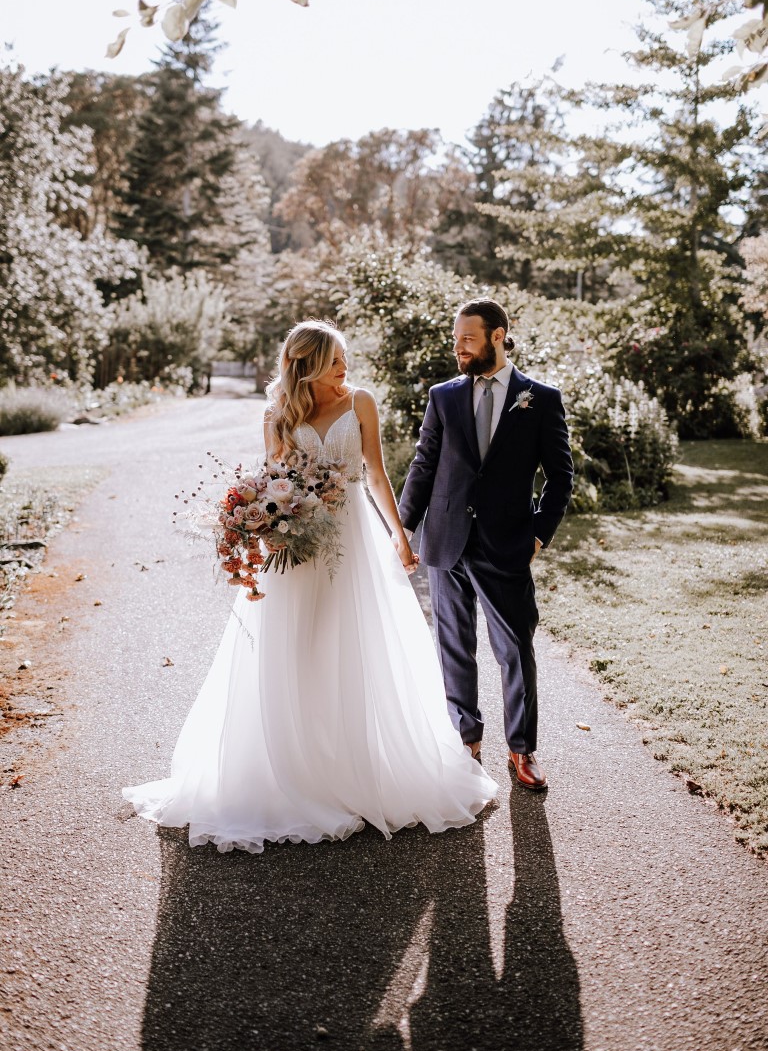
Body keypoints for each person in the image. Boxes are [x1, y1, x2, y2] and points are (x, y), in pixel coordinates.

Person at [123, 321, 497, 853]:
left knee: (358, 644)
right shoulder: (277, 412)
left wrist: (399, 536)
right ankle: (295, 770)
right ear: (309, 365)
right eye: (335, 360)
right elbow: (272, 479)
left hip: (353, 541)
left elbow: (375, 474)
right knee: (295, 647)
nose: (345, 367)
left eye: (344, 358)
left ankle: (355, 767)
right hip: (298, 543)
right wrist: (262, 526)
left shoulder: (360, 402)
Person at [399, 298, 574, 790]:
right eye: (456, 339)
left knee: (515, 647)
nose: (458, 348)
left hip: (508, 542)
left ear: (498, 336)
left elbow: (560, 476)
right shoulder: (442, 396)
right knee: (454, 645)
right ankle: (466, 739)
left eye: (468, 339)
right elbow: (424, 464)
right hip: (446, 540)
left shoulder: (541, 399)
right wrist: (403, 528)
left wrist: (539, 533)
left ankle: (522, 749)